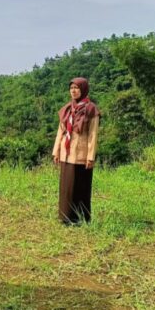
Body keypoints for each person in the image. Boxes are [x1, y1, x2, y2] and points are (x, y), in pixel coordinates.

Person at [52, 77, 101, 225]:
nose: (73, 91)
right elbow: (60, 132)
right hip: (66, 153)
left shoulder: (91, 109)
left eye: (77, 88)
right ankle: (65, 217)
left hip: (81, 154)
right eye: (71, 88)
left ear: (83, 89)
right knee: (66, 187)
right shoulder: (67, 108)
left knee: (81, 186)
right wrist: (56, 151)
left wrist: (90, 156)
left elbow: (93, 134)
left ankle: (80, 218)